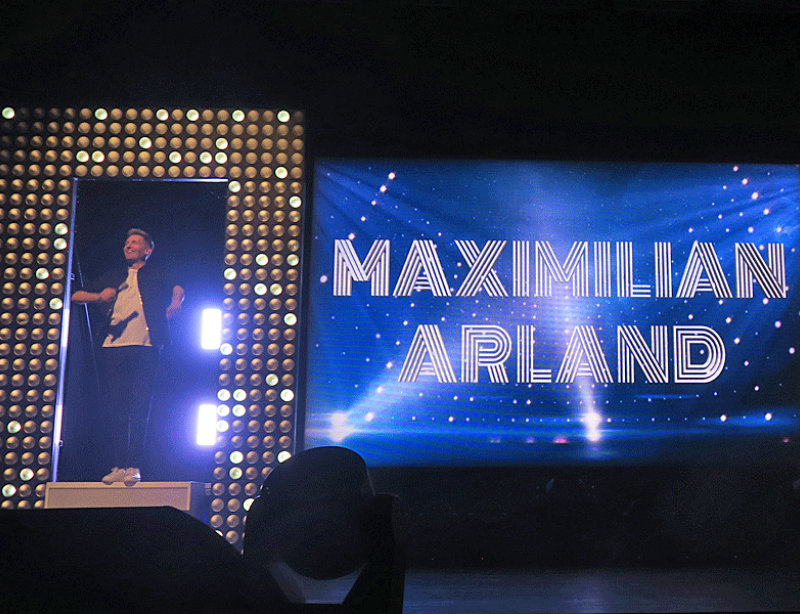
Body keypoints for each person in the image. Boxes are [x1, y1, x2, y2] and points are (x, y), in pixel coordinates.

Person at [71, 228, 184, 486]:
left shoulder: (156, 273)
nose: (129, 245)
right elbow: (76, 295)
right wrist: (99, 296)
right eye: (127, 242)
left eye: (135, 242)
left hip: (146, 345)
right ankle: (119, 465)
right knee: (116, 407)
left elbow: (178, 287)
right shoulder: (114, 275)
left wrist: (175, 303)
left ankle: (133, 466)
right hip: (114, 347)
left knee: (140, 405)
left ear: (147, 250)